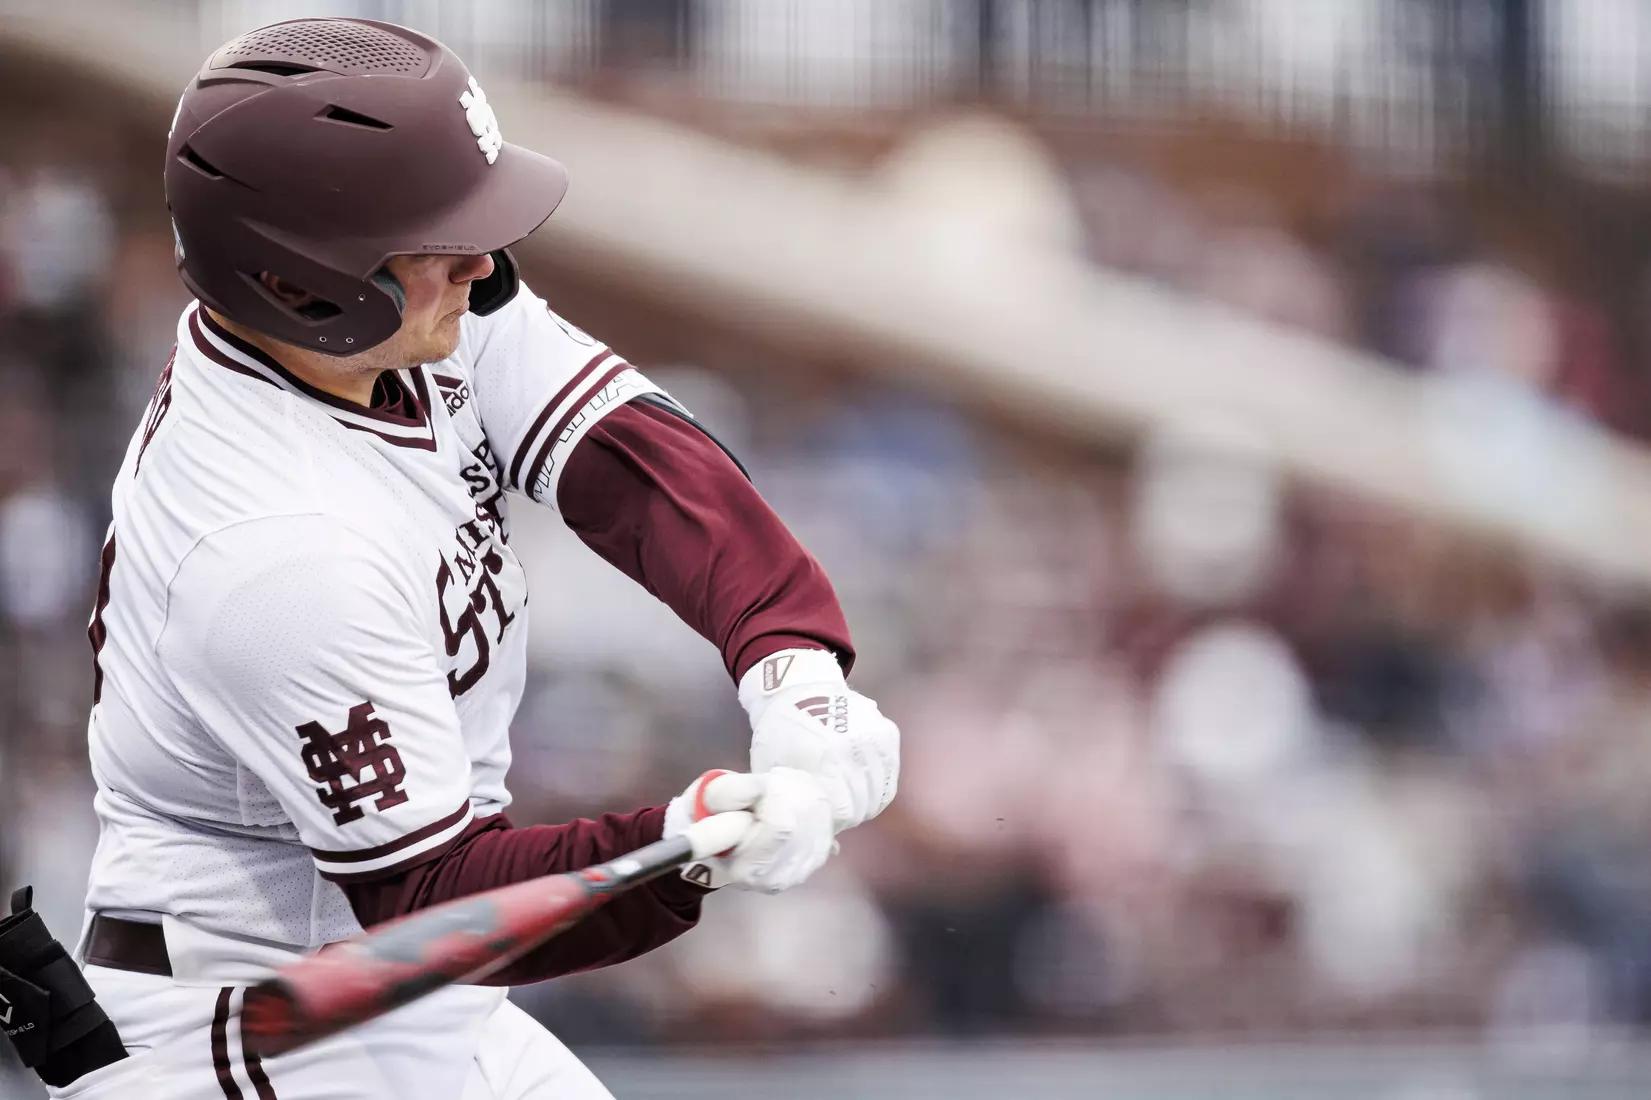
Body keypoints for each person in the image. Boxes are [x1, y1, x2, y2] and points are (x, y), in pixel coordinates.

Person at [57, 16, 897, 1099]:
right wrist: (688, 842)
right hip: (253, 1023)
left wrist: (789, 659)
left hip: (404, 994)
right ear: (305, 276)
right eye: (439, 234)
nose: (485, 261)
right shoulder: (274, 545)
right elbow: (434, 901)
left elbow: (628, 458)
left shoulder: (389, 320)